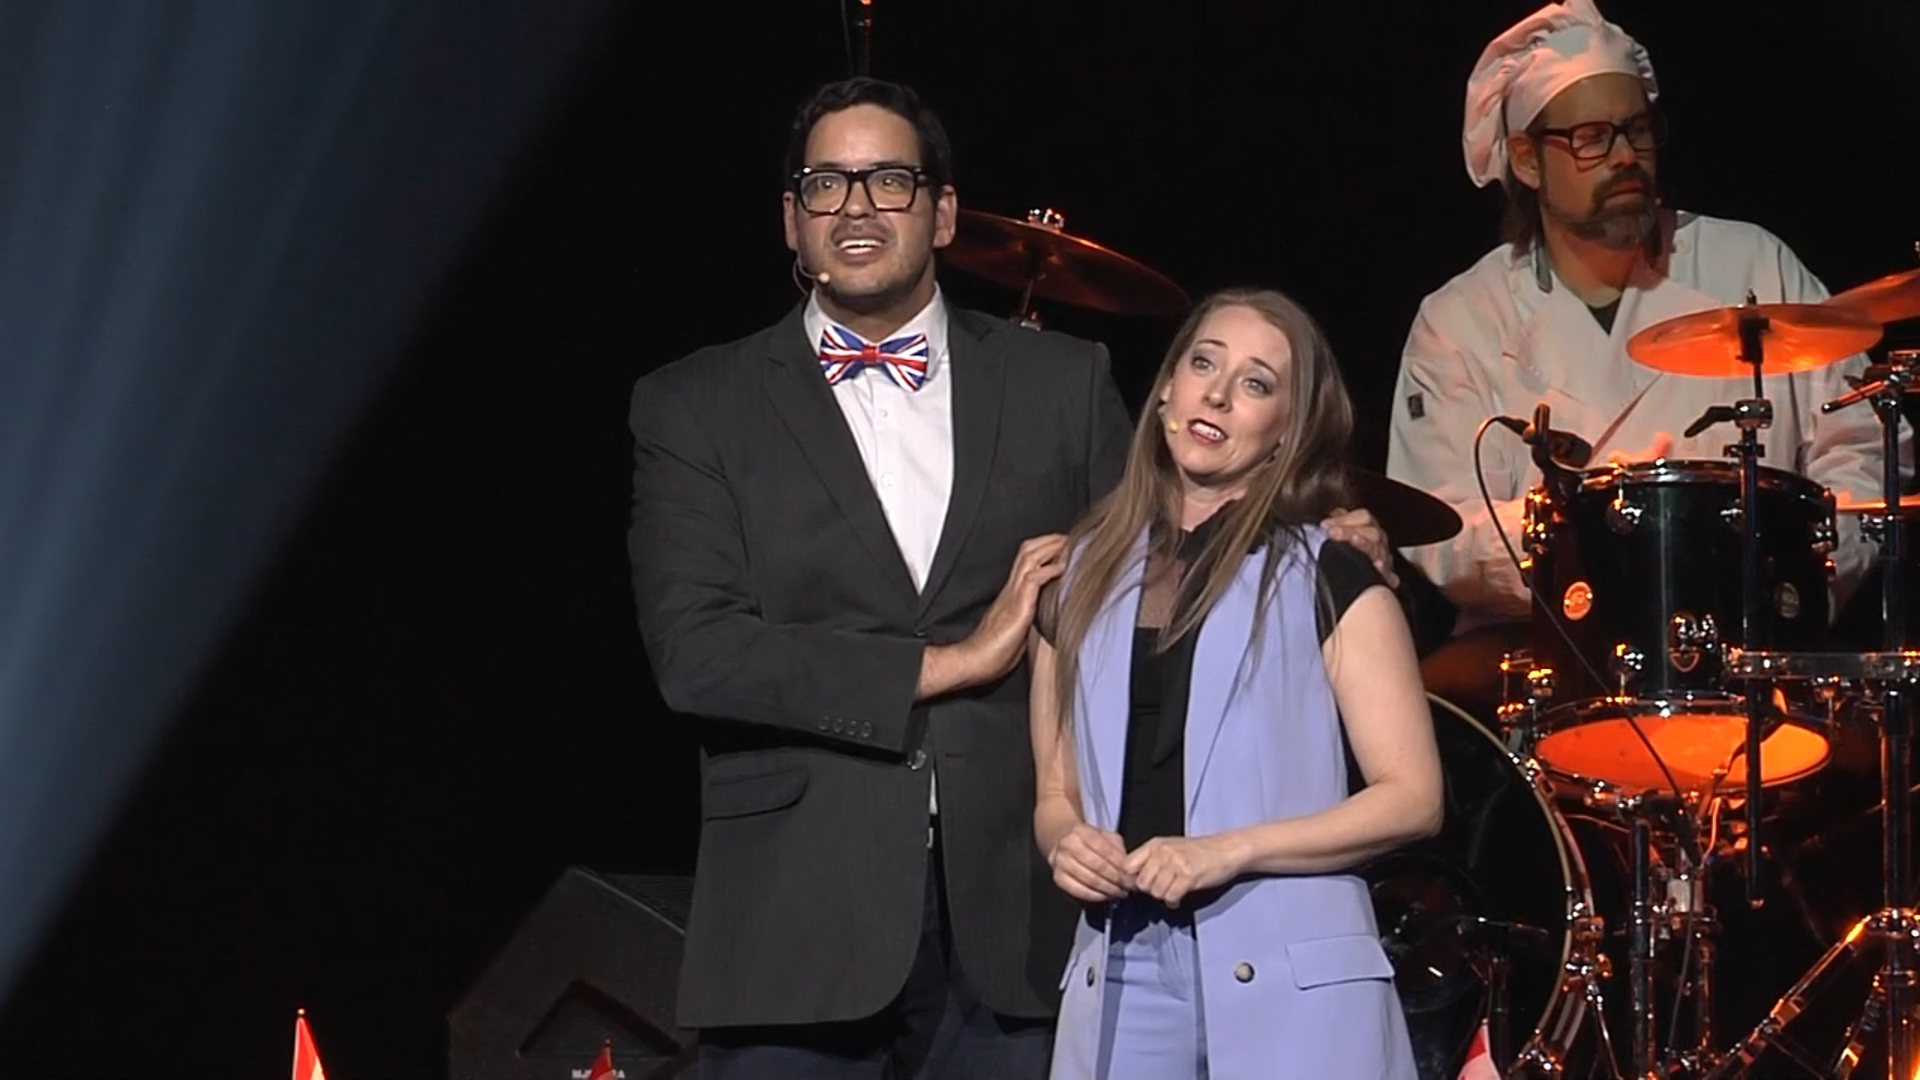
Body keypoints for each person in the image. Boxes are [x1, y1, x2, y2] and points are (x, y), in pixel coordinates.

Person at [1386, 0, 1905, 716]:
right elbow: (1438, 527)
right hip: (1542, 657)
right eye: (1594, 137)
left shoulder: (1749, 264)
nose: (1627, 157)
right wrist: (1610, 553)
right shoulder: (1459, 321)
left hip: (1750, 646)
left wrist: (1801, 571)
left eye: (1636, 130)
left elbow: (1863, 445)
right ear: (1528, 160)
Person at [1029, 288, 1442, 1079]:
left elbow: (1413, 796)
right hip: (1123, 965)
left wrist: (1230, 850)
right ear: (1164, 391)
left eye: (1256, 383)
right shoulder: (1076, 578)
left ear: (1287, 428)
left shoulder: (1328, 571)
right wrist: (1066, 845)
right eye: (1203, 363)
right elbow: (1056, 795)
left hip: (1289, 964)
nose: (1217, 393)